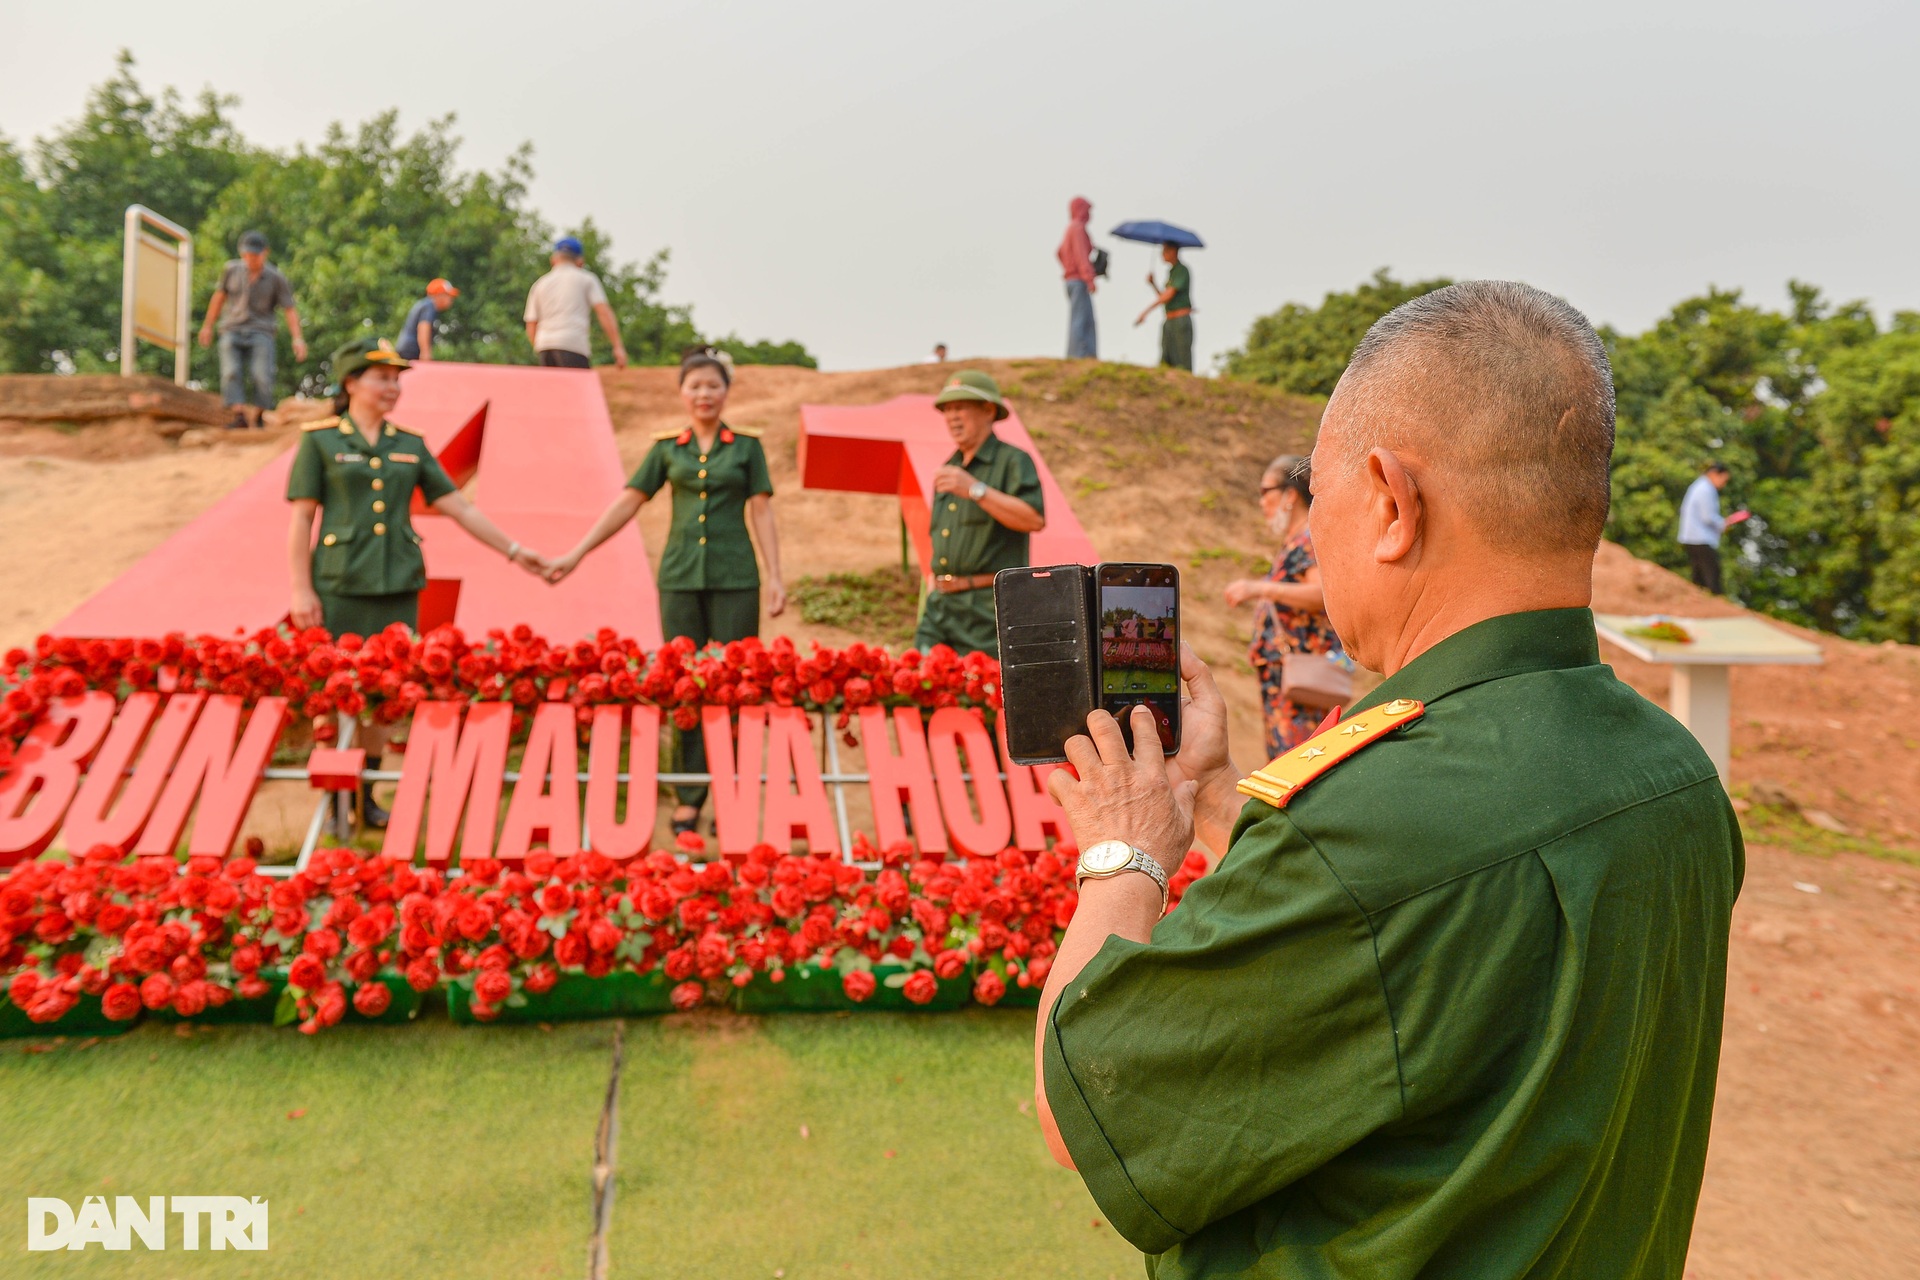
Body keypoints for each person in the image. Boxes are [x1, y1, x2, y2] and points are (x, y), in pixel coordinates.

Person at [1034, 281, 1742, 1278]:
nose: (1315, 541)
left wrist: (1124, 846)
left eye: (1321, 500)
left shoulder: (1364, 823)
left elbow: (1086, 1105)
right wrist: (1209, 798)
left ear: (1393, 502)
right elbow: (1415, 954)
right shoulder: (1675, 776)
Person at [288, 337, 550, 825]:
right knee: (333, 692)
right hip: (338, 585)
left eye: (396, 380)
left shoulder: (409, 444)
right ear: (351, 383)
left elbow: (459, 506)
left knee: (383, 695)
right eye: (382, 378)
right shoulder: (320, 441)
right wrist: (300, 590)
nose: (392, 387)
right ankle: (333, 801)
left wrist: (516, 551)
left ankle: (364, 793)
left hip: (397, 587)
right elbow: (302, 519)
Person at [547, 347, 785, 834]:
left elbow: (762, 510)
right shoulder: (666, 449)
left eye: (713, 386)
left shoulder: (746, 447)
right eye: (695, 386)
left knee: (736, 685)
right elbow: (628, 502)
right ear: (682, 392)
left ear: (726, 392)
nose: (704, 394)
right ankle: (690, 795)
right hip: (679, 580)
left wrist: (776, 575)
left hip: (736, 580)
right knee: (686, 687)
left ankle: (731, 795)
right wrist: (577, 552)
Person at [914, 370, 1046, 658]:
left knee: (983, 698)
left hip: (988, 611)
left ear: (988, 410)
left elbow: (1033, 519)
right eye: (947, 409)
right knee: (920, 683)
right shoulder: (949, 467)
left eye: (961, 407)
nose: (952, 416)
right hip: (940, 607)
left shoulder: (1013, 460)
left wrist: (976, 490)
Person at [1225, 454, 1345, 756]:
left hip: (1301, 675)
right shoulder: (1296, 542)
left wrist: (1259, 588)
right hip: (1288, 675)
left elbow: (1321, 594)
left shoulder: (1307, 539)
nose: (1261, 502)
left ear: (1290, 495)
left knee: (1296, 759)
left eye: (1266, 492)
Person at [197, 230, 307, 430]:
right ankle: (239, 415)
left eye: (255, 255)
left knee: (261, 375)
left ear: (265, 253)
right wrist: (207, 326)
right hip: (232, 328)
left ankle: (258, 415)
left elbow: (289, 310)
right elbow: (218, 298)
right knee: (230, 372)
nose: (251, 259)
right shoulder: (231, 270)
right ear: (241, 253)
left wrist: (297, 339)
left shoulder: (276, 278)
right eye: (247, 254)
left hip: (261, 331)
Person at [524, 236, 628, 370]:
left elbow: (531, 323)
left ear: (554, 259)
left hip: (545, 346)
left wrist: (539, 346)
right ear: (580, 261)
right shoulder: (587, 279)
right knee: (577, 391)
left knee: (554, 391)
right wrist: (618, 347)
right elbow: (603, 312)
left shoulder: (540, 284)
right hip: (573, 344)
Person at [1677, 461, 1746, 594]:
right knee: (1712, 574)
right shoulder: (1705, 489)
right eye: (1723, 480)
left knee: (1699, 576)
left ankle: (1699, 604)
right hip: (1700, 538)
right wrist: (1723, 523)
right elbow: (1708, 516)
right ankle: (1716, 604)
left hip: (1692, 537)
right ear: (1714, 474)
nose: (1723, 484)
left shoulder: (1699, 486)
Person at [1134, 242, 1193, 370]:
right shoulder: (1172, 273)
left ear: (1174, 252)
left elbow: (1168, 295)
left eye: (1165, 250)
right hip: (1169, 320)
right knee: (1166, 359)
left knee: (1182, 360)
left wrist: (1146, 311)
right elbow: (1165, 298)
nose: (1162, 254)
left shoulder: (1181, 270)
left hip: (1180, 320)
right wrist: (1153, 284)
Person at [1059, 196, 1098, 359]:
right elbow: (1082, 256)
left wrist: (1069, 267)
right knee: (1082, 320)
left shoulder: (1070, 228)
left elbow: (1060, 252)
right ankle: (1080, 355)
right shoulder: (1078, 228)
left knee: (1080, 317)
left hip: (1071, 280)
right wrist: (1089, 277)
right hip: (1078, 281)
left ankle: (1081, 354)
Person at [395, 278, 459, 361]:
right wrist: (425, 353)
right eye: (449, 296)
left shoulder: (426, 305)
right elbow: (423, 327)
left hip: (407, 350)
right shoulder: (429, 306)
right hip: (410, 352)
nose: (451, 300)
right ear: (440, 295)